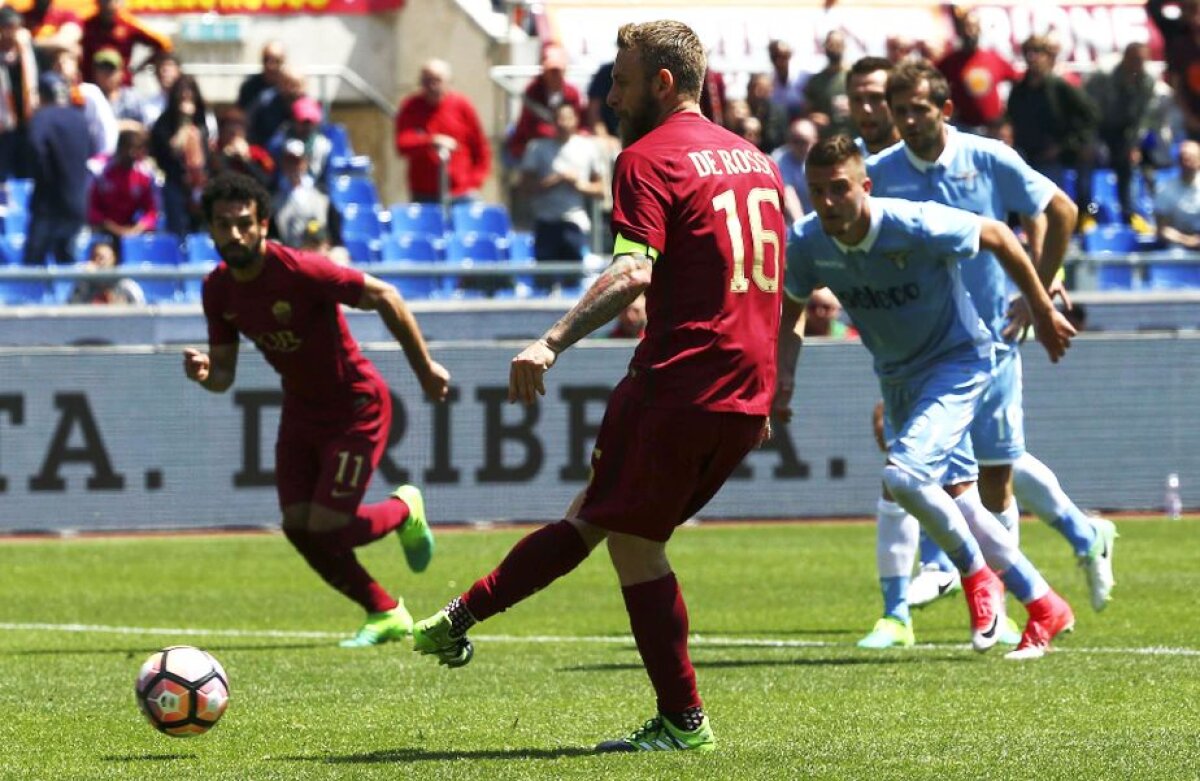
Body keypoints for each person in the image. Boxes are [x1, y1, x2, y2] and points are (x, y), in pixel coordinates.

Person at [411, 20, 785, 753]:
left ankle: (684, 719)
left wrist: (550, 340)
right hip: (743, 393)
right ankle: (458, 619)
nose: (610, 97)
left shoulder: (647, 159)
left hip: (678, 382)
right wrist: (769, 388)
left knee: (633, 545)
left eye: (620, 79)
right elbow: (775, 283)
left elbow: (633, 271)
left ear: (663, 83)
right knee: (599, 516)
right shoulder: (757, 160)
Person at [776, 135, 1078, 661]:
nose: (827, 202)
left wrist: (1041, 304)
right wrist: (782, 381)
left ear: (865, 187)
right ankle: (1044, 602)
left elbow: (1001, 236)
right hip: (896, 376)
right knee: (958, 495)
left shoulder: (910, 222)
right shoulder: (806, 243)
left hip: (958, 361)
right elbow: (791, 308)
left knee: (903, 477)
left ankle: (975, 573)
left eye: (839, 189)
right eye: (817, 191)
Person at [869, 60, 1116, 630]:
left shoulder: (985, 158)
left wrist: (1035, 294)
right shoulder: (880, 173)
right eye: (899, 110)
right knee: (932, 475)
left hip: (991, 339)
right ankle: (1032, 574)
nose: (908, 120)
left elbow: (1060, 210)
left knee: (994, 475)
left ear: (945, 109)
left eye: (919, 109)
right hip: (923, 350)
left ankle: (1011, 598)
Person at [182, 172, 450, 647]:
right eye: (223, 225)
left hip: (355, 406)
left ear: (263, 223)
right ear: (210, 231)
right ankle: (384, 611)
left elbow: (386, 295)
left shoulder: (301, 270)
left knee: (328, 525)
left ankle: (404, 508)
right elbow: (224, 375)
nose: (235, 234)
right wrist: (206, 374)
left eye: (244, 222)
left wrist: (424, 368)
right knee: (298, 527)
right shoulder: (217, 290)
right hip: (301, 413)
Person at [1006, 35, 1099, 226]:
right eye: (1029, 53)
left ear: (1048, 57)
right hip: (1026, 154)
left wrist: (1067, 145)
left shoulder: (1059, 87)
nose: (1033, 58)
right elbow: (1011, 119)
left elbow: (1091, 115)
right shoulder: (1019, 90)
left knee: (1051, 203)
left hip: (1054, 156)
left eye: (1038, 53)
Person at [519, 101, 605, 290]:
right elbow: (524, 188)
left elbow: (600, 190)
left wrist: (578, 184)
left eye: (567, 118)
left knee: (574, 280)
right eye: (559, 118)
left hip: (574, 223)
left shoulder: (588, 148)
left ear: (575, 120)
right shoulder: (537, 148)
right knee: (545, 281)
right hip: (545, 222)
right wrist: (554, 180)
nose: (563, 123)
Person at [394, 59, 491, 204]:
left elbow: (481, 148)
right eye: (427, 81)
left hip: (462, 193)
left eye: (437, 80)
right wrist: (431, 141)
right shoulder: (410, 107)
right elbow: (403, 144)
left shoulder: (462, 106)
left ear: (447, 81)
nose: (432, 86)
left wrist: (474, 181)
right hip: (424, 194)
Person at [24, 72, 92, 266]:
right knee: (67, 262)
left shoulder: (43, 116)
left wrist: (42, 174)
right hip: (77, 204)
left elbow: (35, 147)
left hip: (48, 204)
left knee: (33, 265)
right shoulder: (80, 119)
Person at [935, 8, 1018, 134]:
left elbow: (1018, 79)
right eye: (966, 27)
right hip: (963, 128)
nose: (970, 32)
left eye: (974, 27)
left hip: (993, 130)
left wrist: (1009, 114)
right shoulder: (950, 61)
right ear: (959, 31)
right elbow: (932, 82)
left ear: (979, 30)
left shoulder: (993, 57)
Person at [506, 43, 585, 163]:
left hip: (565, 142)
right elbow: (529, 127)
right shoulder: (533, 91)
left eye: (558, 71)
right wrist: (559, 131)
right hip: (537, 145)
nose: (555, 75)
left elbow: (579, 121)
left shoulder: (572, 93)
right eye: (551, 71)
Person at [87, 127, 157, 246]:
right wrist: (113, 228)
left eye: (137, 150)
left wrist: (136, 229)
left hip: (132, 232)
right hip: (101, 231)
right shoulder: (100, 169)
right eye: (129, 149)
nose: (132, 154)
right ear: (119, 148)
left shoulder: (145, 174)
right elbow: (90, 208)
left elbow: (151, 211)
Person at [79, 0, 172, 86]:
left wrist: (138, 68)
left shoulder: (128, 24)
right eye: (104, 1)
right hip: (90, 85)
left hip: (121, 87)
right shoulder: (86, 25)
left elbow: (164, 45)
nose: (108, 5)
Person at [846, 56, 899, 156]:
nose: (866, 109)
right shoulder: (841, 163)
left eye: (876, 98)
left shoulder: (922, 157)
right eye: (857, 99)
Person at [68, 238, 144, 305]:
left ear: (113, 260)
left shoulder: (127, 286)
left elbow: (142, 313)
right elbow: (70, 312)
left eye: (102, 258)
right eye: (94, 257)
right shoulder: (82, 285)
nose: (98, 262)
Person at [1154, 140, 1200, 249]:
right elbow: (1162, 229)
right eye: (1183, 158)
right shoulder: (1165, 190)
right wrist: (1188, 241)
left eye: (1191, 158)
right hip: (1179, 247)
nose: (1186, 162)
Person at [772, 117, 818, 223]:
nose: (797, 145)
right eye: (794, 141)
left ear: (815, 141)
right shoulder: (780, 158)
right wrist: (801, 224)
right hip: (796, 224)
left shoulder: (824, 159)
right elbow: (788, 193)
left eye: (803, 141)